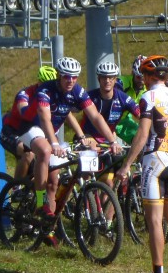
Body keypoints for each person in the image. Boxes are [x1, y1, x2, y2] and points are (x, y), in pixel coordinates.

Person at [115, 55, 168, 273]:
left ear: (149, 76)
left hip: (155, 161)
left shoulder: (148, 97)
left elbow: (143, 134)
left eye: (144, 75)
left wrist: (126, 165)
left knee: (154, 220)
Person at [32, 56, 122, 217]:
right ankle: (39, 202)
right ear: (59, 75)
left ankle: (48, 222)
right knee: (45, 152)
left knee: (53, 182)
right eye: (67, 76)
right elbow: (45, 118)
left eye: (74, 77)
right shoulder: (45, 90)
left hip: (51, 134)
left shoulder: (77, 91)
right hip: (33, 129)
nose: (71, 80)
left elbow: (95, 117)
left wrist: (112, 140)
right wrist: (54, 143)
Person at [85, 59, 139, 187]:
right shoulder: (89, 96)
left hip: (108, 140)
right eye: (104, 77)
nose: (107, 81)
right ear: (98, 79)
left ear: (115, 79)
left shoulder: (122, 98)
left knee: (110, 183)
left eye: (111, 77)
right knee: (86, 177)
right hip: (88, 137)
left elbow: (141, 115)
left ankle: (110, 197)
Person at [0, 65, 57, 183]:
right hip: (12, 131)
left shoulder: (54, 96)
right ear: (38, 81)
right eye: (44, 83)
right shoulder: (25, 94)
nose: (47, 87)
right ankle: (16, 187)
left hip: (32, 133)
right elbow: (23, 110)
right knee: (28, 154)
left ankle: (33, 186)